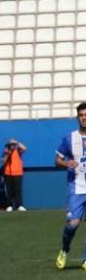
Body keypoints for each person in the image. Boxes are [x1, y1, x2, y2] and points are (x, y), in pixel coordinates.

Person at [54, 103, 86, 270]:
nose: (84, 118)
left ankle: (85, 260)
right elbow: (57, 160)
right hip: (76, 187)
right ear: (77, 118)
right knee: (73, 224)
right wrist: (66, 163)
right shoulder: (69, 138)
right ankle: (65, 250)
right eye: (81, 115)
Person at [1, 138, 27, 212]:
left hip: (18, 173)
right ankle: (9, 205)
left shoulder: (18, 150)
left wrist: (17, 142)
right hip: (8, 173)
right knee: (9, 191)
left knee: (18, 190)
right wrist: (7, 155)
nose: (12, 146)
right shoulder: (5, 152)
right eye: (11, 145)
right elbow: (2, 162)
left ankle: (19, 205)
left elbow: (25, 149)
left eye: (13, 145)